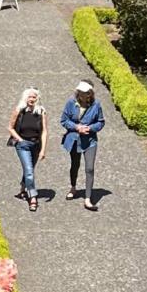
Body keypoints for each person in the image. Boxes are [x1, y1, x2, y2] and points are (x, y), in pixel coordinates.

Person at [60, 81, 105, 211]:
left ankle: (88, 198)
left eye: (84, 93)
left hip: (89, 141)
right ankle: (73, 187)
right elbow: (64, 120)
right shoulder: (70, 103)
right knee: (75, 164)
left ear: (89, 93)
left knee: (89, 168)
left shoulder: (96, 105)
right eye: (79, 92)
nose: (81, 95)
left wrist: (90, 128)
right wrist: (76, 127)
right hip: (74, 139)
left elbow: (101, 122)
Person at [8, 87, 46, 212]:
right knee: (29, 171)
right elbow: (10, 127)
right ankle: (33, 198)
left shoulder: (41, 112)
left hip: (36, 144)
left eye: (34, 97)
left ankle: (22, 189)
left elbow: (44, 132)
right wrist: (19, 140)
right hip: (23, 145)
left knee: (29, 169)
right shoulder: (19, 110)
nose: (32, 99)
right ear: (25, 98)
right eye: (29, 97)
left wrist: (43, 150)